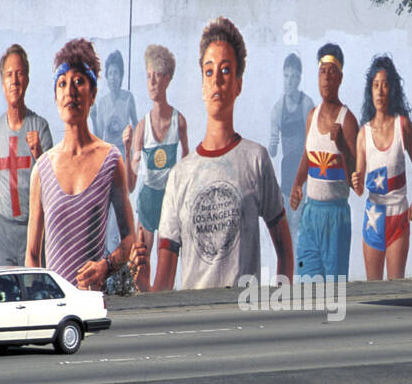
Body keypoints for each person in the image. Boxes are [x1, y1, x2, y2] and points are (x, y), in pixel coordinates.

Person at [154, 17, 293, 291]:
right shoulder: (180, 175)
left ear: (238, 85)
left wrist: (281, 309)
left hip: (245, 320)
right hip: (193, 323)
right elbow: (164, 279)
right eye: (209, 71)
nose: (216, 78)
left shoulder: (256, 159)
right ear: (202, 85)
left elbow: (285, 251)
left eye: (226, 70)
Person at [26, 39, 140, 290]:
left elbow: (130, 239)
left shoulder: (111, 160)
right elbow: (33, 255)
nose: (70, 91)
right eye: (62, 83)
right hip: (53, 309)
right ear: (56, 96)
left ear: (93, 93)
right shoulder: (42, 169)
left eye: (79, 81)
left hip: (92, 306)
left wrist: (105, 266)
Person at [123, 44, 189, 291]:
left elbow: (187, 165)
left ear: (167, 79)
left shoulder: (179, 121)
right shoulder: (142, 127)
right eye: (148, 75)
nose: (151, 81)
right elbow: (130, 184)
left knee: (166, 270)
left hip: (170, 201)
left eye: (157, 75)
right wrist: (128, 147)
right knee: (141, 264)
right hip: (149, 199)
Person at [289, 43, 358, 280]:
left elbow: (355, 183)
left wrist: (342, 148)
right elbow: (307, 155)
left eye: (332, 71)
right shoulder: (312, 115)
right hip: (310, 213)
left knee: (332, 292)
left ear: (340, 77)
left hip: (335, 216)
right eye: (322, 72)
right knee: (306, 285)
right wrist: (297, 184)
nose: (326, 78)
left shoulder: (348, 121)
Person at [351, 54, 412, 280]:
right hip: (374, 216)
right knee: (373, 287)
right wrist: (356, 181)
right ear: (369, 91)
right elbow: (361, 189)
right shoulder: (363, 134)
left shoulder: (403, 126)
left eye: (384, 85)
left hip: (398, 215)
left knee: (396, 285)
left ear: (391, 89)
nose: (380, 91)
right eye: (375, 85)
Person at [0, 44, 53, 266]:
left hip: (32, 231)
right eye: (9, 75)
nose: (14, 81)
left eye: (20, 73)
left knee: (33, 297)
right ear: (2, 82)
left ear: (28, 79)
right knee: (1, 296)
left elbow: (53, 184)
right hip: (3, 232)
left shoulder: (40, 127)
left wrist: (39, 153)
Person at [91, 49, 137, 257]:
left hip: (123, 159)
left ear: (122, 75)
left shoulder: (128, 98)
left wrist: (133, 154)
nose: (113, 78)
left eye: (116, 73)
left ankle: (119, 262)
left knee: (120, 215)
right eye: (109, 74)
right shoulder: (101, 103)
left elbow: (137, 128)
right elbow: (99, 137)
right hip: (106, 162)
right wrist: (92, 118)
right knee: (106, 215)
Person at [269, 52, 315, 244]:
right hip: (287, 173)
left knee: (303, 227)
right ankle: (292, 270)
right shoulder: (278, 108)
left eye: (294, 76)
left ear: (299, 78)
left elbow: (313, 143)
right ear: (283, 76)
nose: (290, 81)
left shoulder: (307, 104)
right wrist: (272, 144)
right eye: (287, 76)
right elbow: (273, 149)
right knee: (288, 228)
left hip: (305, 173)